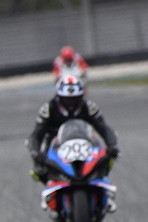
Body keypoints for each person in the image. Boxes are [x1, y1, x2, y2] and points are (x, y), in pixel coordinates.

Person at [27, 75, 120, 211]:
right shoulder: (49, 109)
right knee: (39, 168)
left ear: (81, 96)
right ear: (59, 97)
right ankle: (50, 194)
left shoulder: (89, 107)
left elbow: (104, 128)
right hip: (55, 143)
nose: (71, 103)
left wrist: (112, 145)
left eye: (75, 99)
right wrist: (36, 153)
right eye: (67, 99)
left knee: (108, 156)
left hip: (84, 141)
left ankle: (103, 191)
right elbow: (36, 134)